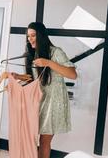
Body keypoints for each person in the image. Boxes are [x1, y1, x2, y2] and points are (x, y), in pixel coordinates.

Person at [24, 22, 77, 158]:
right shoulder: (31, 54)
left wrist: (48, 62)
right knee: (29, 137)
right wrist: (17, 77)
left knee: (44, 140)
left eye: (33, 35)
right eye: (28, 36)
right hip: (38, 100)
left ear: (41, 36)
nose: (30, 39)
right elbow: (32, 79)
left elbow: (72, 74)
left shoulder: (56, 52)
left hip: (53, 102)